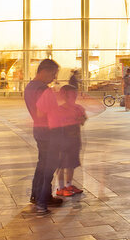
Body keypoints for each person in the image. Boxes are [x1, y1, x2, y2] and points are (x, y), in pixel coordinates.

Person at [24, 58, 62, 215]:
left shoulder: (30, 87)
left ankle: (38, 195)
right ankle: (42, 197)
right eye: (53, 74)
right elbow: (50, 111)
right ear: (44, 71)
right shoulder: (43, 89)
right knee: (48, 166)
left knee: (43, 164)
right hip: (49, 131)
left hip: (39, 130)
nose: (54, 78)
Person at [52, 85, 86, 198]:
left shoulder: (79, 108)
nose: (74, 96)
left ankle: (69, 185)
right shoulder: (59, 109)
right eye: (71, 94)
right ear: (64, 96)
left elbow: (83, 121)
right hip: (62, 141)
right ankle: (60, 188)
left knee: (71, 164)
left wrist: (81, 119)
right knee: (61, 165)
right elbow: (55, 124)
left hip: (74, 140)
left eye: (75, 94)